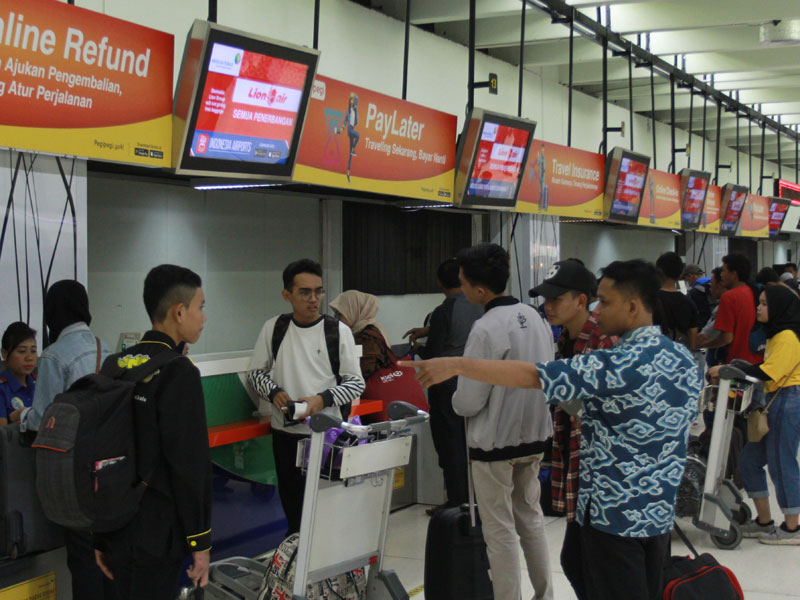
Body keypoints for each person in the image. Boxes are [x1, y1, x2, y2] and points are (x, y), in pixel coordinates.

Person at [401, 259, 701, 600]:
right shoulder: (682, 358)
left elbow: (533, 376)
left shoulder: (617, 363)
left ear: (633, 306)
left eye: (605, 301)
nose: (597, 310)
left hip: (613, 518)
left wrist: (455, 364)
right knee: (583, 564)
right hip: (657, 512)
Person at [93, 265, 213, 599]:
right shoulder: (178, 372)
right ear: (179, 311)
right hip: (158, 533)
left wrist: (99, 536)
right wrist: (200, 543)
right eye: (200, 307)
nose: (203, 317)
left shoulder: (114, 366)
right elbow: (189, 466)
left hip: (116, 523)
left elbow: (100, 452)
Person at [451, 244, 554, 600]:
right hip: (536, 436)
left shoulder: (485, 329)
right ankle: (545, 594)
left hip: (494, 444)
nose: (461, 290)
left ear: (480, 290)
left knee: (500, 531)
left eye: (463, 284)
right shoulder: (537, 317)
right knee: (531, 518)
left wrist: (453, 397)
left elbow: (468, 401)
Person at [248, 259, 365, 535]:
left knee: (328, 510)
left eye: (319, 291)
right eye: (305, 292)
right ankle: (296, 566)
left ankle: (326, 569)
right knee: (294, 509)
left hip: (327, 435)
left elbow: (356, 382)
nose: (314, 299)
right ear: (286, 295)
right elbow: (255, 374)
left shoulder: (337, 331)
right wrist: (274, 392)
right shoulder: (274, 328)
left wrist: (321, 400)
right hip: (286, 435)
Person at [17, 280, 116, 600]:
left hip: (74, 475)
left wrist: (22, 418)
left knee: (83, 558)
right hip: (110, 471)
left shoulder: (54, 356)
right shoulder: (106, 348)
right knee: (108, 556)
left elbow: (44, 417)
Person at [531, 259, 616, 600]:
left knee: (589, 562)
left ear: (582, 300)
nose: (547, 306)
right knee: (578, 561)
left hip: (604, 474)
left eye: (555, 299)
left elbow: (607, 410)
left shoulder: (603, 340)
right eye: (545, 299)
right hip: (576, 462)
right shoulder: (567, 337)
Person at [708, 284, 800, 545]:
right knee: (749, 460)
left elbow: (768, 373)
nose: (758, 308)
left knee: (782, 464)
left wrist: (728, 368)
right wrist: (741, 366)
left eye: (764, 304)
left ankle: (793, 528)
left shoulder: (787, 336)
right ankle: (764, 521)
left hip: (788, 401)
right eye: (758, 302)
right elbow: (764, 367)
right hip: (775, 400)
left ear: (779, 308)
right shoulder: (775, 335)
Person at [403, 257, 483, 514]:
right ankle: (475, 495)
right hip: (475, 381)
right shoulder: (478, 305)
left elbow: (435, 356)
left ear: (439, 282)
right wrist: (428, 330)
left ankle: (456, 498)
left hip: (446, 386)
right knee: (470, 440)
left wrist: (418, 348)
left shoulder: (443, 311)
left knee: (449, 444)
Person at [707, 253, 763, 365]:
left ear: (734, 274)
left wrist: (704, 344)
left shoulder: (729, 297)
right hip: (759, 357)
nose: (721, 275)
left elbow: (727, 338)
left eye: (724, 271)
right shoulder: (754, 292)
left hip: (738, 361)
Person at [330, 290, 392, 380]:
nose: (337, 319)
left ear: (354, 311)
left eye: (340, 314)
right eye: (336, 314)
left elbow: (364, 371)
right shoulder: (369, 328)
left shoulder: (366, 338)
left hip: (369, 390)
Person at [654, 252, 699, 350]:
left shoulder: (649, 301)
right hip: (679, 356)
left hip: (656, 355)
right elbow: (693, 339)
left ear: (658, 272)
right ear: (680, 275)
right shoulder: (689, 303)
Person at [0, 322, 37, 426]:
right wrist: (12, 418)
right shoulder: (2, 389)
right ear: (4, 353)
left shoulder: (40, 384)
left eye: (33, 351)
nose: (29, 358)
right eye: (22, 351)